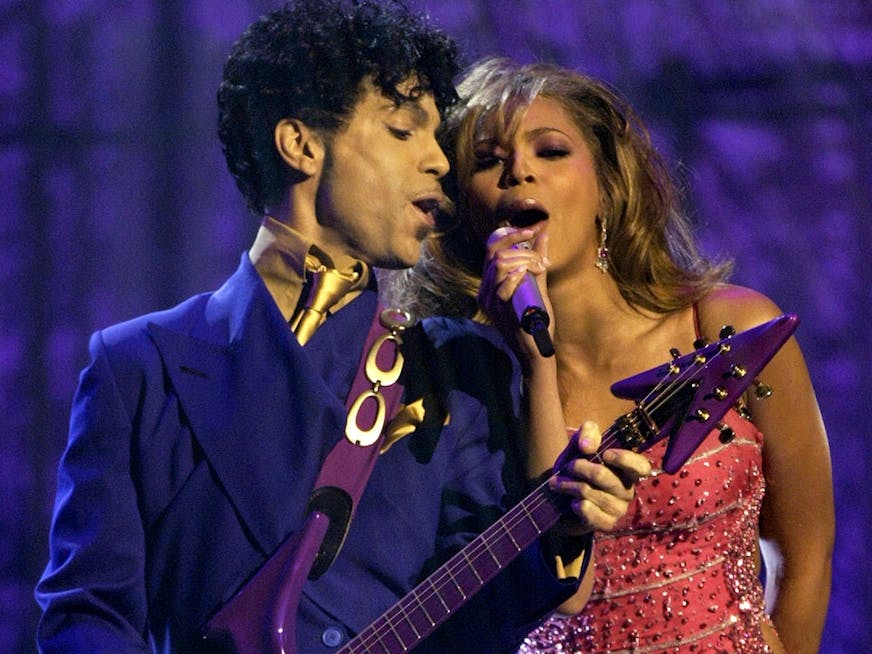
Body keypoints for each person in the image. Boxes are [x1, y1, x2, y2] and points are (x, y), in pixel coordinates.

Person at [34, 6, 652, 653]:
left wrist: (562, 529)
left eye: (438, 138)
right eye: (403, 131)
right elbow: (88, 616)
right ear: (301, 144)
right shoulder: (140, 364)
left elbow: (485, 613)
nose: (440, 161)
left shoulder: (458, 368)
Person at [391, 57, 834, 653]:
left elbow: (805, 555)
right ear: (465, 211)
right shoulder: (460, 378)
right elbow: (545, 573)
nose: (518, 172)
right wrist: (536, 365)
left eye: (549, 151)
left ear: (605, 186)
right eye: (488, 161)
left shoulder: (730, 328)